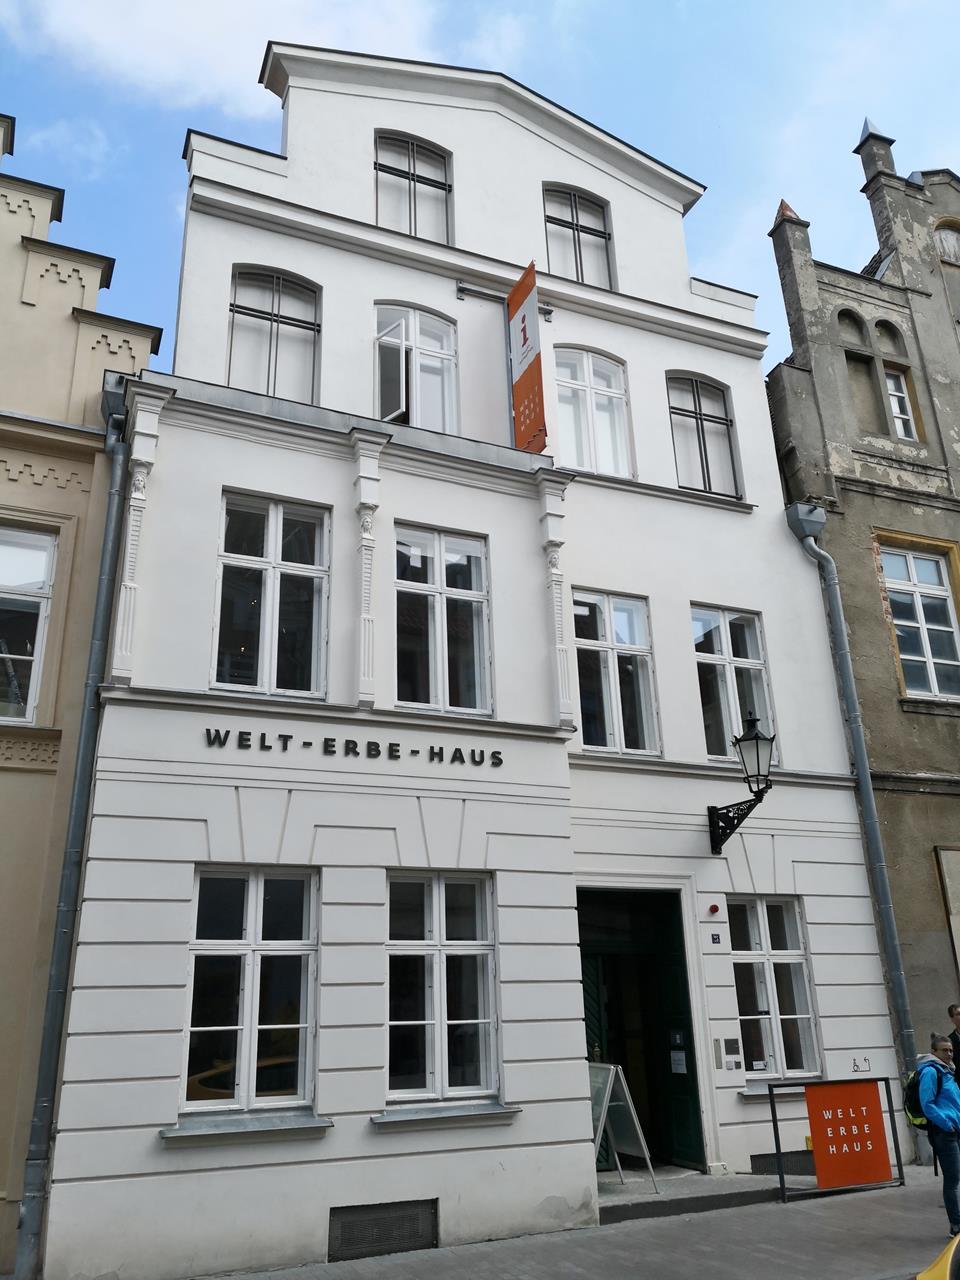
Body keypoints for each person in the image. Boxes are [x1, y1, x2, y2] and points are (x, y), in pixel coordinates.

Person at [919, 1034, 960, 1237]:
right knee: (952, 1181)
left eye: (951, 1050)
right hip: (944, 1133)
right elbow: (927, 1104)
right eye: (944, 1050)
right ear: (934, 1052)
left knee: (956, 1178)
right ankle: (956, 1226)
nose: (949, 1053)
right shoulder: (931, 1072)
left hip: (954, 1130)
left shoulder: (947, 1071)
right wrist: (947, 1124)